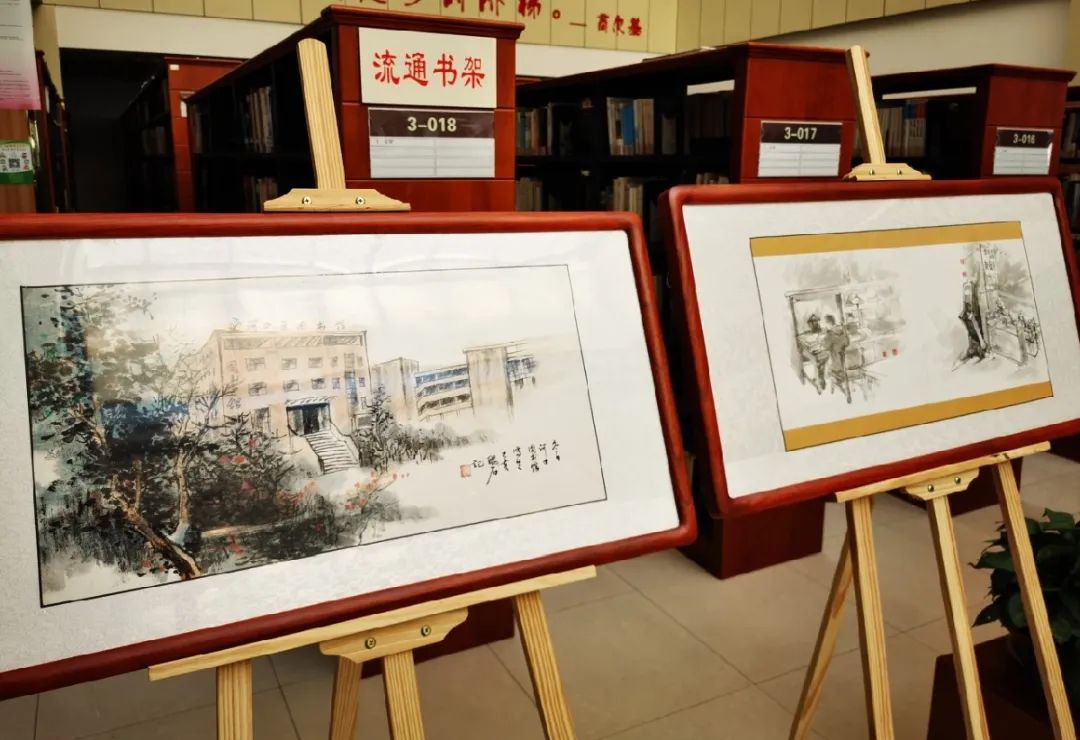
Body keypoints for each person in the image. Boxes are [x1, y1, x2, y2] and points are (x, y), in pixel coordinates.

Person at [823, 314, 851, 402]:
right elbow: (847, 342)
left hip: (836, 365)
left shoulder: (830, 334)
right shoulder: (842, 330)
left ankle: (835, 383)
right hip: (843, 362)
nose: (824, 326)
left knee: (824, 366)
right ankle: (836, 382)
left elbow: (825, 347)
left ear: (828, 323)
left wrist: (825, 336)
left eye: (825, 323)